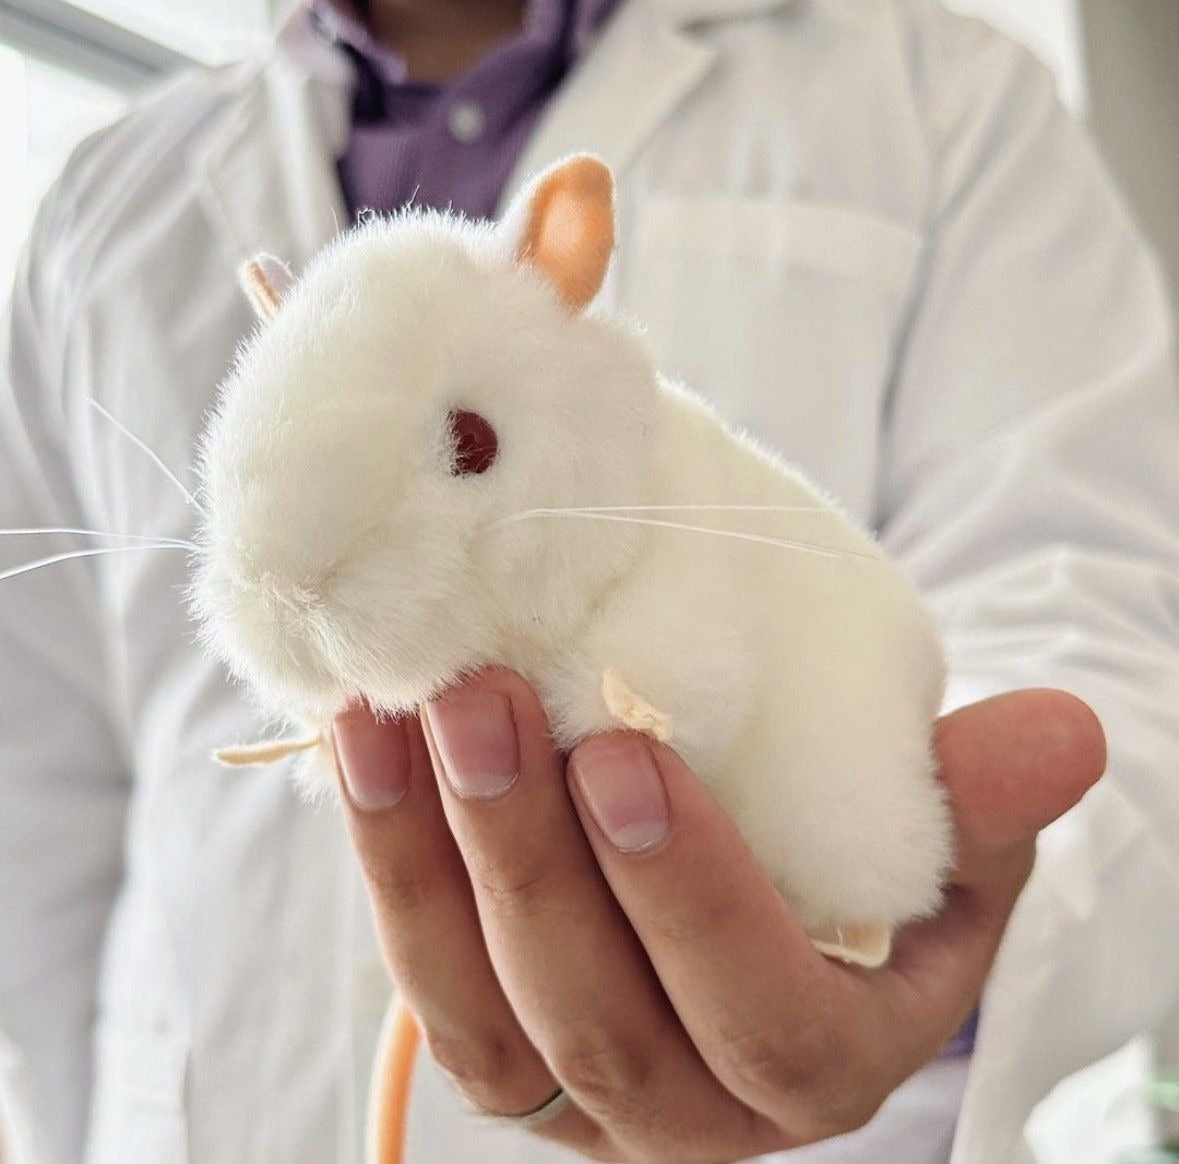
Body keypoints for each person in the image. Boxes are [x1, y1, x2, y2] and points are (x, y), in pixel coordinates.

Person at [0, 0, 1176, 1161]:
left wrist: (928, 964)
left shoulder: (942, 93)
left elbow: (1094, 612)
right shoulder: (103, 201)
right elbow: (41, 786)